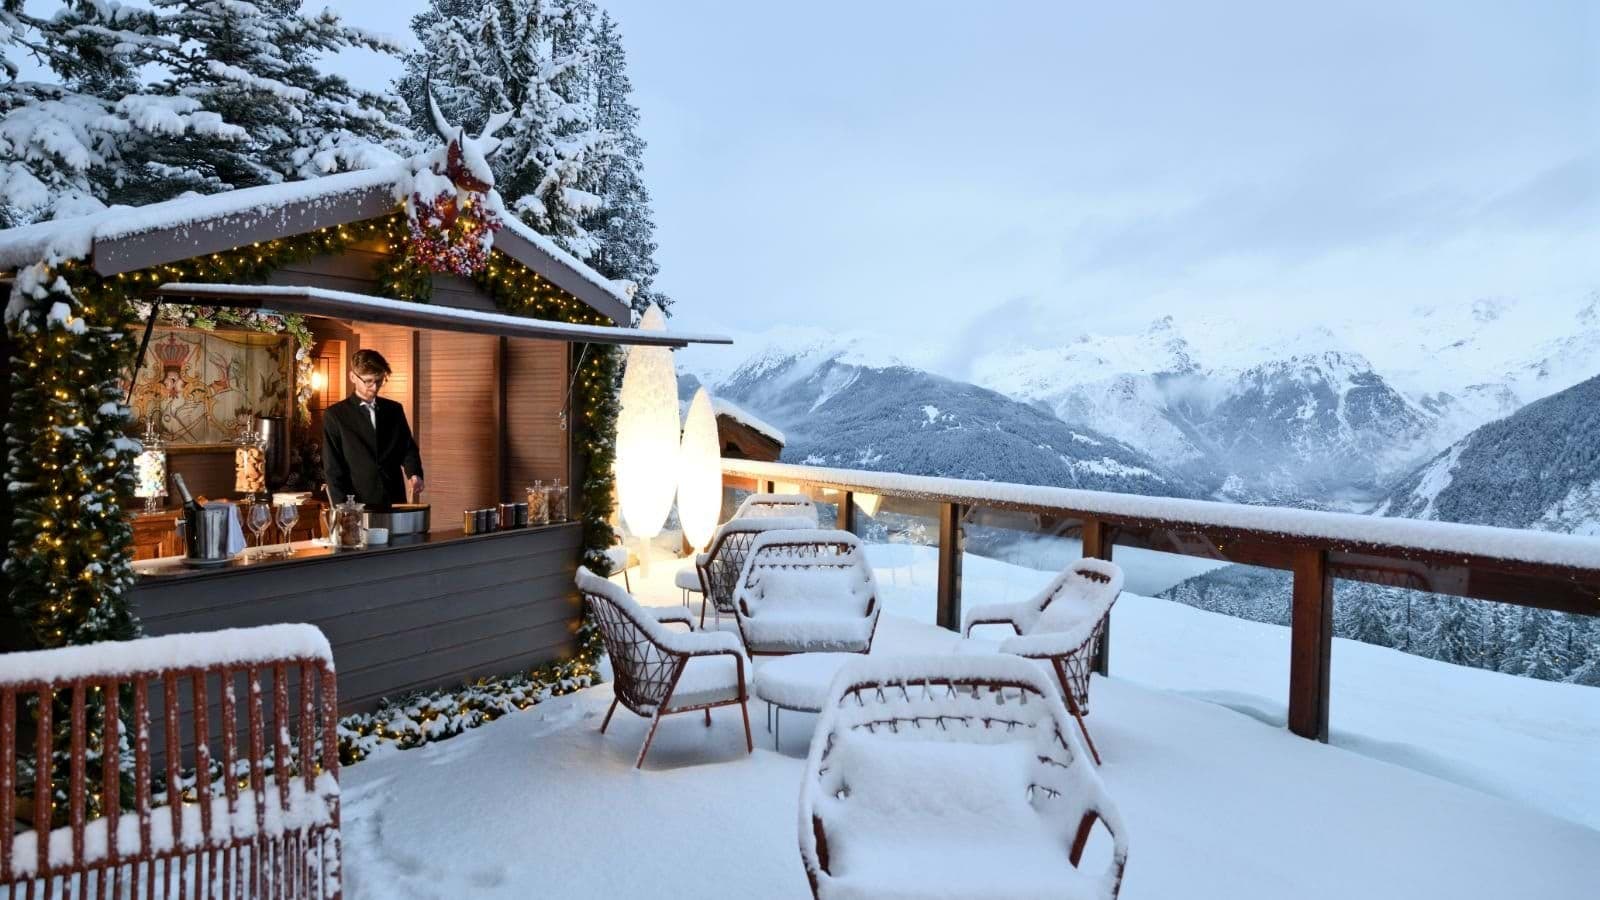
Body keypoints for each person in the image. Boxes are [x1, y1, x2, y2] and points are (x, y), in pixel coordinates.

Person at [322, 349, 424, 510]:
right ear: (353, 377)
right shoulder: (335, 415)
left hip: (393, 497)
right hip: (356, 502)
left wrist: (414, 474)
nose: (374, 387)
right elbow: (332, 467)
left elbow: (407, 448)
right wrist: (342, 509)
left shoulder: (394, 410)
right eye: (368, 381)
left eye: (379, 380)